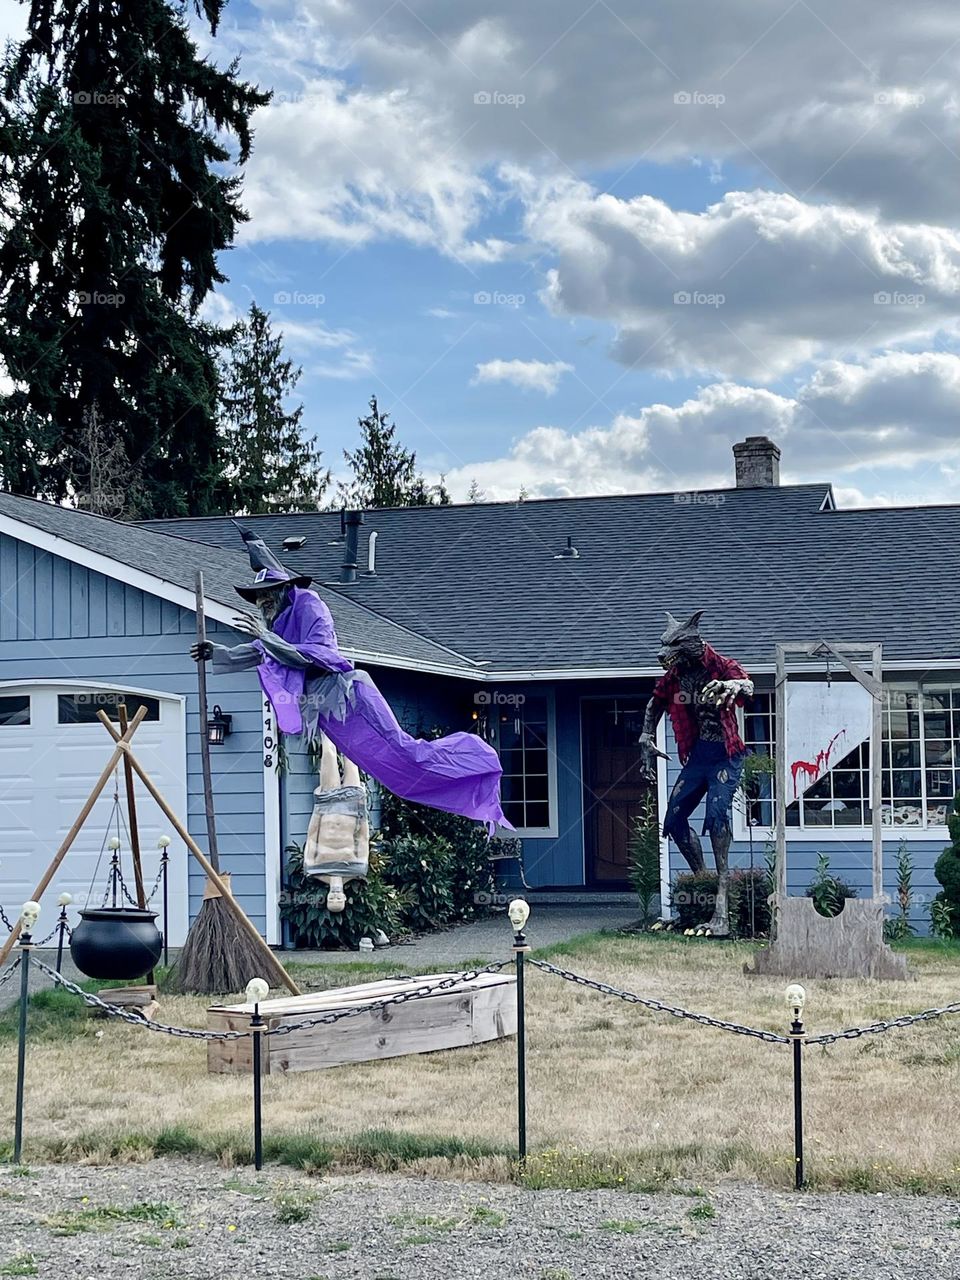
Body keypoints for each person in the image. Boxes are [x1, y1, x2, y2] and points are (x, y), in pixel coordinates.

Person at [638, 609, 753, 937]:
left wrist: (732, 686)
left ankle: (722, 912)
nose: (666, 654)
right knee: (673, 820)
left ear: (691, 643)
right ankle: (704, 885)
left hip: (725, 757)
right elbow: (655, 703)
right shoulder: (676, 675)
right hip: (699, 755)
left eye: (673, 647)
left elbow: (747, 684)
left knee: (716, 817)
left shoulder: (720, 666)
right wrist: (645, 735)